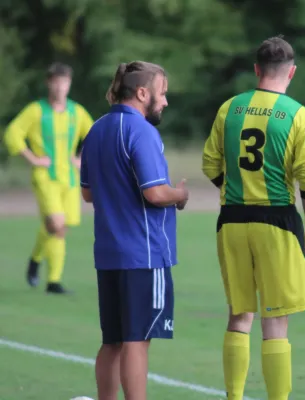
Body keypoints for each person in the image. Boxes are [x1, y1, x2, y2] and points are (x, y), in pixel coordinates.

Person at [202, 35, 305, 400]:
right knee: (275, 320)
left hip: (233, 220)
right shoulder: (300, 115)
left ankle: (234, 397)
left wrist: (236, 190)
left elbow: (210, 165)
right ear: (292, 72)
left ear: (257, 70)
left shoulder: (229, 108)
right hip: (278, 223)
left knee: (239, 315)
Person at [79, 61, 189, 400]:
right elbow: (155, 193)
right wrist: (180, 195)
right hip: (143, 254)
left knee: (111, 341)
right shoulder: (142, 131)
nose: (165, 101)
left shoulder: (97, 129)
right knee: (137, 340)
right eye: (162, 93)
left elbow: (87, 192)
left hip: (109, 254)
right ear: (143, 93)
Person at [4, 62, 94, 294]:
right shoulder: (36, 110)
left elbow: (95, 135)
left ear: (69, 84)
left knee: (59, 228)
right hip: (45, 177)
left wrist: (81, 158)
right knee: (57, 224)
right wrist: (31, 158)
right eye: (56, 82)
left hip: (70, 179)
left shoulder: (77, 112)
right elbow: (13, 133)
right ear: (48, 83)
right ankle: (53, 282)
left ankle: (36, 260)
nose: (60, 87)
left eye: (64, 82)